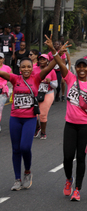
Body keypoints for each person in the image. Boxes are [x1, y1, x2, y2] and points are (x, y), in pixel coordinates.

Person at [0, 35, 61, 191]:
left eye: (28, 67)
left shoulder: (36, 78)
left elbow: (54, 63)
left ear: (31, 68)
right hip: (15, 118)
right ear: (19, 69)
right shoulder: (14, 79)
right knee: (15, 149)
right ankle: (17, 179)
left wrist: (53, 50)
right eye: (23, 67)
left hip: (29, 119)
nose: (26, 69)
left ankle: (27, 172)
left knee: (25, 147)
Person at [49, 37, 87, 202]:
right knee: (67, 157)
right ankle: (69, 179)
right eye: (79, 66)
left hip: (86, 127)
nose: (82, 69)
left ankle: (78, 189)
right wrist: (55, 51)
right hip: (70, 125)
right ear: (76, 68)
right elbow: (60, 63)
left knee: (82, 158)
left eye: (84, 67)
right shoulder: (70, 78)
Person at [34, 54, 58, 139]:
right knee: (34, 113)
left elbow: (55, 85)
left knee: (42, 114)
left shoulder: (51, 71)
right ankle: (37, 127)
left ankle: (43, 132)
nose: (42, 61)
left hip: (47, 93)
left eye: (44, 59)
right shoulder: (34, 69)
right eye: (40, 59)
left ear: (48, 61)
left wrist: (50, 82)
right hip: (35, 93)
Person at [0, 52, 12, 132]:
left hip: (2, 92)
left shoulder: (7, 68)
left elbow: (12, 78)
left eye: (0, 58)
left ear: (3, 59)